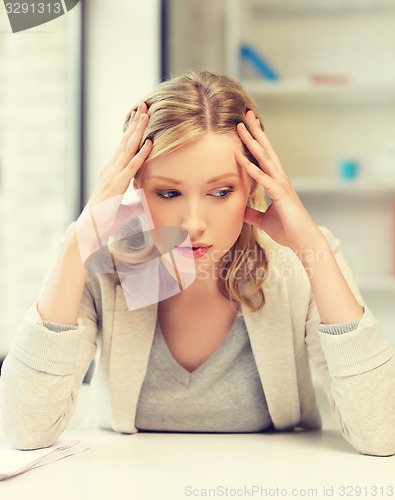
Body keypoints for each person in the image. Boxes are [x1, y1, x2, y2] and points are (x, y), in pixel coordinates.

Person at [0, 70, 394, 455]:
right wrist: (77, 243)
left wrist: (313, 247)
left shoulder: (300, 261)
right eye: (168, 193)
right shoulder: (101, 263)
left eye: (221, 191)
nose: (192, 224)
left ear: (254, 184)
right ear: (135, 186)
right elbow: (24, 429)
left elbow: (383, 434)